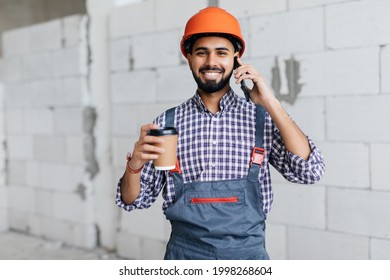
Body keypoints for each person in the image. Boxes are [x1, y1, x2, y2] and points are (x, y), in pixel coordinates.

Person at [116, 7, 325, 260]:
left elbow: (309, 172)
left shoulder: (259, 117)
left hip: (247, 259)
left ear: (236, 58)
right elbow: (134, 200)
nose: (211, 62)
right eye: (201, 52)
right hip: (185, 258)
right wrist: (134, 166)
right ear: (190, 58)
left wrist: (270, 102)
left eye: (221, 53)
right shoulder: (167, 123)